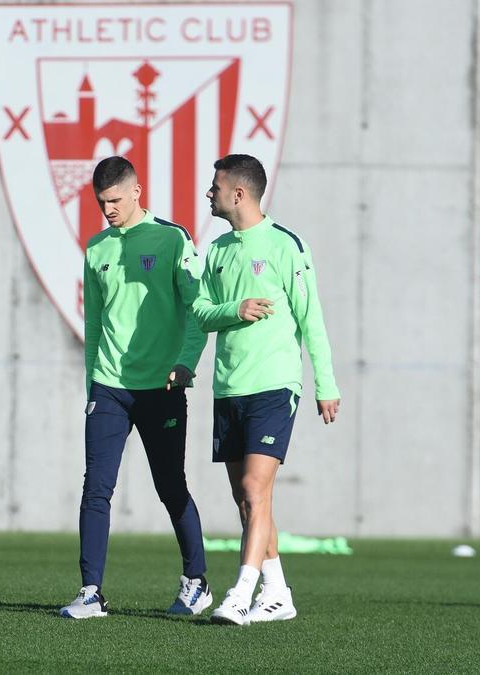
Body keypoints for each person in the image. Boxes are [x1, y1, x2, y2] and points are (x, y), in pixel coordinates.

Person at [59, 157, 212, 619]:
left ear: (137, 191)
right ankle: (90, 592)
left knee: (170, 487)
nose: (108, 210)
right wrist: (92, 389)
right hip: (109, 389)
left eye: (115, 201)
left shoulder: (171, 238)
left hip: (161, 388)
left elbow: (198, 311)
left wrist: (185, 365)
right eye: (101, 202)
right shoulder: (96, 249)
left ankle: (197, 581)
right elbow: (95, 325)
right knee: (96, 488)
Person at [192, 154, 341, 625]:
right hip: (228, 387)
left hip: (274, 385)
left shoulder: (284, 245)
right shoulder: (215, 251)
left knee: (256, 490)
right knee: (246, 499)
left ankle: (240, 594)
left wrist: (326, 383)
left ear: (238, 193)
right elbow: (200, 313)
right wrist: (233, 311)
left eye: (214, 187)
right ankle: (278, 592)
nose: (208, 193)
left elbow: (310, 316)